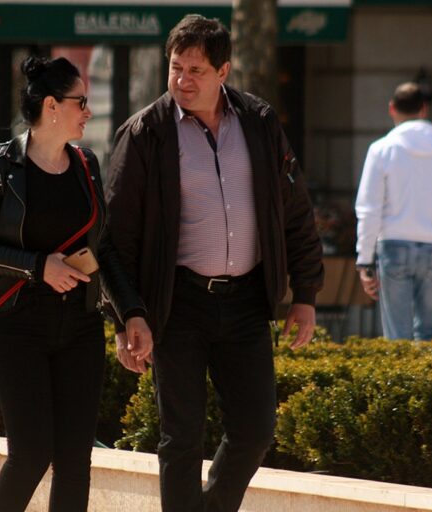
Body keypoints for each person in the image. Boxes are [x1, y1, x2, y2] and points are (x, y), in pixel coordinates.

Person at [105, 15, 324, 512]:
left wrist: (305, 294)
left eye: (196, 70)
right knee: (181, 437)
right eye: (176, 68)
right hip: (177, 304)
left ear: (223, 71)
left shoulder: (260, 122)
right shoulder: (145, 133)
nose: (183, 80)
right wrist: (125, 318)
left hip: (246, 301)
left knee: (255, 429)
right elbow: (116, 239)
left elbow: (295, 211)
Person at [0, 56, 153, 512]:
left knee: (75, 461)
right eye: (81, 102)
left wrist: (131, 313)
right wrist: (38, 266)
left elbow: (104, 251)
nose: (88, 112)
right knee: (30, 454)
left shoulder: (86, 165)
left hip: (80, 326)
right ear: (51, 106)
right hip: (17, 326)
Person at [355, 82, 432, 341]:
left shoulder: (381, 149)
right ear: (424, 109)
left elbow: (369, 208)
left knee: (397, 338)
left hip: (394, 245)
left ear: (392, 108)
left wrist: (365, 260)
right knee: (429, 334)